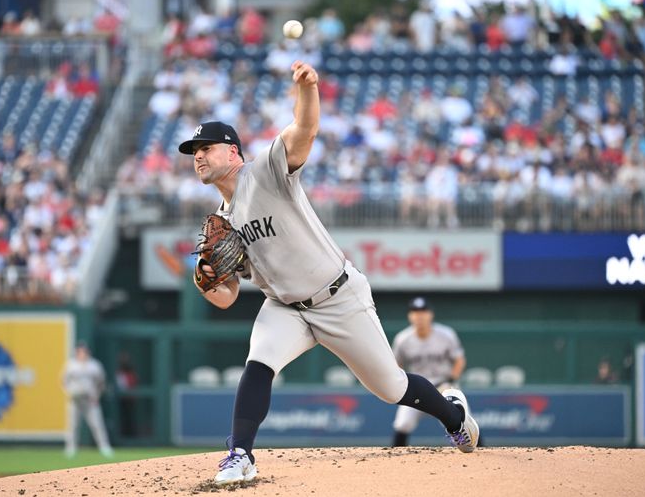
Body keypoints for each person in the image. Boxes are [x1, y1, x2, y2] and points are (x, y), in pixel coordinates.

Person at [177, 60, 479, 487]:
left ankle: (454, 416)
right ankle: (240, 454)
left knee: (390, 388)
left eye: (206, 148)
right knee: (259, 362)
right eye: (194, 152)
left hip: (337, 295)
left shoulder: (263, 173)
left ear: (233, 152)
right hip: (284, 307)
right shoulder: (223, 221)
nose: (199, 156)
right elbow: (225, 297)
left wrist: (308, 88)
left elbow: (304, 132)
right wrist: (205, 278)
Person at [391, 297, 466, 447]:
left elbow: (459, 360)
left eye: (423, 311)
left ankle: (478, 453)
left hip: (444, 385)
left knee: (461, 421)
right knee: (402, 424)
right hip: (418, 388)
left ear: (430, 314)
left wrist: (451, 381)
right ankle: (395, 458)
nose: (419, 316)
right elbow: (396, 365)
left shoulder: (445, 334)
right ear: (410, 316)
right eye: (415, 312)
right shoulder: (403, 339)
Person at [62, 341, 113, 458]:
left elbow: (101, 382)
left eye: (84, 351)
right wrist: (68, 393)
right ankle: (70, 448)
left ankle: (104, 448)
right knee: (73, 425)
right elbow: (63, 381)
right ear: (76, 352)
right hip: (75, 399)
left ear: (88, 352)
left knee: (97, 424)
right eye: (80, 351)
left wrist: (97, 395)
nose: (82, 353)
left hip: (90, 399)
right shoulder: (71, 364)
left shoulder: (94, 365)